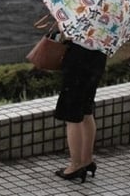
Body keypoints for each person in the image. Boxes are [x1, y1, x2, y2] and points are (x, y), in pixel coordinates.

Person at [53, 39, 108, 183]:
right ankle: (87, 160)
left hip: (78, 59)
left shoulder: (81, 17)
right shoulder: (109, 19)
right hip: (98, 59)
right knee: (86, 110)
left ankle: (75, 166)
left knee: (72, 116)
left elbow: (67, 32)